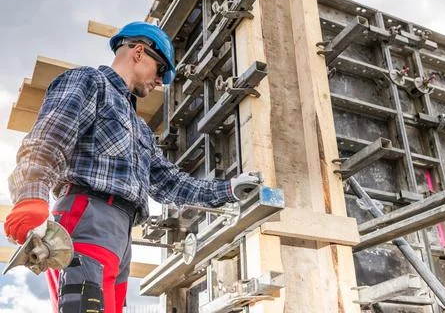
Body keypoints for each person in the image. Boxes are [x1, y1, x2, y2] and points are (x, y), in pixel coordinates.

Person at [5, 21, 259, 313]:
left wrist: (228, 189)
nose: (161, 81)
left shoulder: (139, 128)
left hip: (121, 235)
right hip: (88, 216)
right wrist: (30, 197)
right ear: (139, 52)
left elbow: (170, 183)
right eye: (161, 70)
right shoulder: (90, 82)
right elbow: (48, 140)